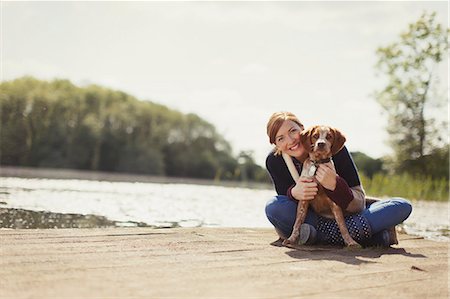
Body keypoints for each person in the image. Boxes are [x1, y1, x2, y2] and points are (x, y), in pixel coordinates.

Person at [264, 111, 412, 247]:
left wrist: (335, 185)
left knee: (401, 205)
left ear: (302, 129)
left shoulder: (335, 149)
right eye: (280, 138)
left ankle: (319, 237)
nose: (290, 141)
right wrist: (294, 193)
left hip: (348, 215)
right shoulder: (275, 161)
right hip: (313, 219)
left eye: (293, 131)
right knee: (273, 207)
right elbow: (285, 203)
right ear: (275, 143)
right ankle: (359, 235)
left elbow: (359, 202)